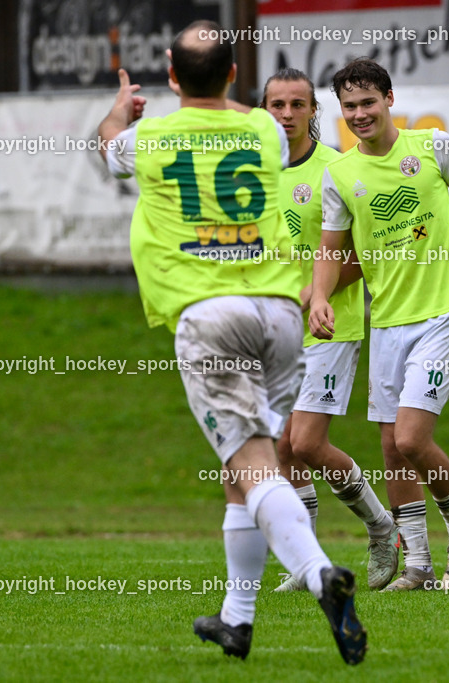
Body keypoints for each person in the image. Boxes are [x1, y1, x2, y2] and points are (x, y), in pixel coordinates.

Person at [97, 20, 365, 663]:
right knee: (245, 468)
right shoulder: (265, 130)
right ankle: (237, 620)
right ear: (236, 75)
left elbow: (108, 150)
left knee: (250, 464)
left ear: (168, 74)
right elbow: (240, 125)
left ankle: (318, 570)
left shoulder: (152, 136)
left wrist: (117, 116)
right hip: (278, 312)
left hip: (210, 314)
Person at [309, 58, 449, 590]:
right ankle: (416, 562)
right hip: (387, 322)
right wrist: (321, 296)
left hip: (443, 312)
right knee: (393, 446)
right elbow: (331, 250)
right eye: (349, 107)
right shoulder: (341, 174)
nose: (359, 114)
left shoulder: (432, 146)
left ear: (390, 100)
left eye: (368, 102)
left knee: (414, 439)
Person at [257, 68, 400, 593]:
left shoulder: (336, 170)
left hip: (330, 324)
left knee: (308, 443)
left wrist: (313, 294)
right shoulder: (255, 172)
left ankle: (380, 525)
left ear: (315, 111)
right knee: (282, 447)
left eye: (298, 104)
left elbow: (364, 256)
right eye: (277, 105)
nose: (287, 114)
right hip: (272, 331)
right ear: (264, 110)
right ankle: (307, 561)